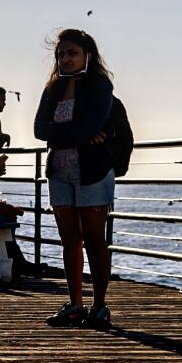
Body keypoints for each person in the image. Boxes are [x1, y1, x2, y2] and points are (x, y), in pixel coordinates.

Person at [34, 27, 118, 329]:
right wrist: (79, 134)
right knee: (69, 239)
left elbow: (88, 125)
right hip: (59, 171)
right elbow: (39, 130)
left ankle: (99, 305)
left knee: (94, 238)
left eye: (72, 53)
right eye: (61, 54)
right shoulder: (52, 88)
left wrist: (68, 134)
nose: (65, 59)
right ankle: (75, 304)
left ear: (87, 55)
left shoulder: (99, 85)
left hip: (92, 172)